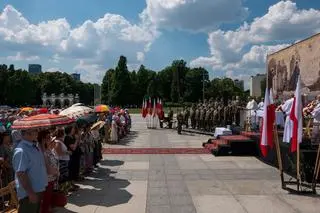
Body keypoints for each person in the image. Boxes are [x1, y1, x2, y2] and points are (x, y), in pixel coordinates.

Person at [12, 128, 47, 213]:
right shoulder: (21, 150)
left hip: (38, 190)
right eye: (35, 130)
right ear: (26, 133)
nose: (37, 132)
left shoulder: (34, 146)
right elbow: (21, 174)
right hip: (29, 195)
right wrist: (30, 193)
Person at [38, 130, 59, 213]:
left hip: (52, 178)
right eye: (48, 137)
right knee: (45, 200)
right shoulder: (41, 151)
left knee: (48, 199)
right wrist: (55, 171)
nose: (50, 139)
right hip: (46, 178)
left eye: (50, 137)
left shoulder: (48, 149)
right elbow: (47, 168)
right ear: (43, 139)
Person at [53, 128, 70, 194]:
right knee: (62, 177)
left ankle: (64, 190)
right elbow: (58, 152)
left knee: (64, 176)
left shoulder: (60, 141)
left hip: (64, 160)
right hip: (62, 161)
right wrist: (67, 152)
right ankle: (62, 191)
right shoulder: (58, 142)